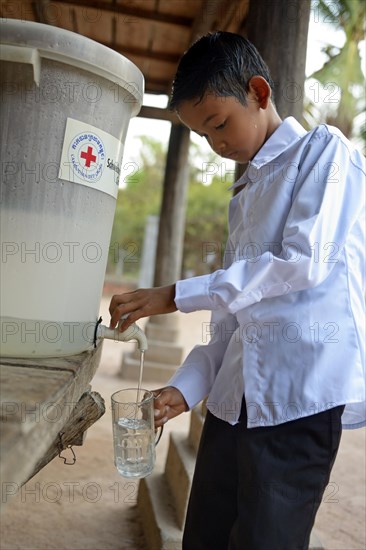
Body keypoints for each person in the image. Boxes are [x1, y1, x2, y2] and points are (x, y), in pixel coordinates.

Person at [109, 32, 365, 550]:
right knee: (202, 537)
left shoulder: (325, 155)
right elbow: (230, 319)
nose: (217, 145)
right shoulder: (243, 197)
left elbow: (303, 263)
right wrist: (185, 388)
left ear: (259, 92)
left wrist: (174, 294)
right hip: (233, 406)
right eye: (203, 135)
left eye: (219, 123)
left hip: (300, 401)